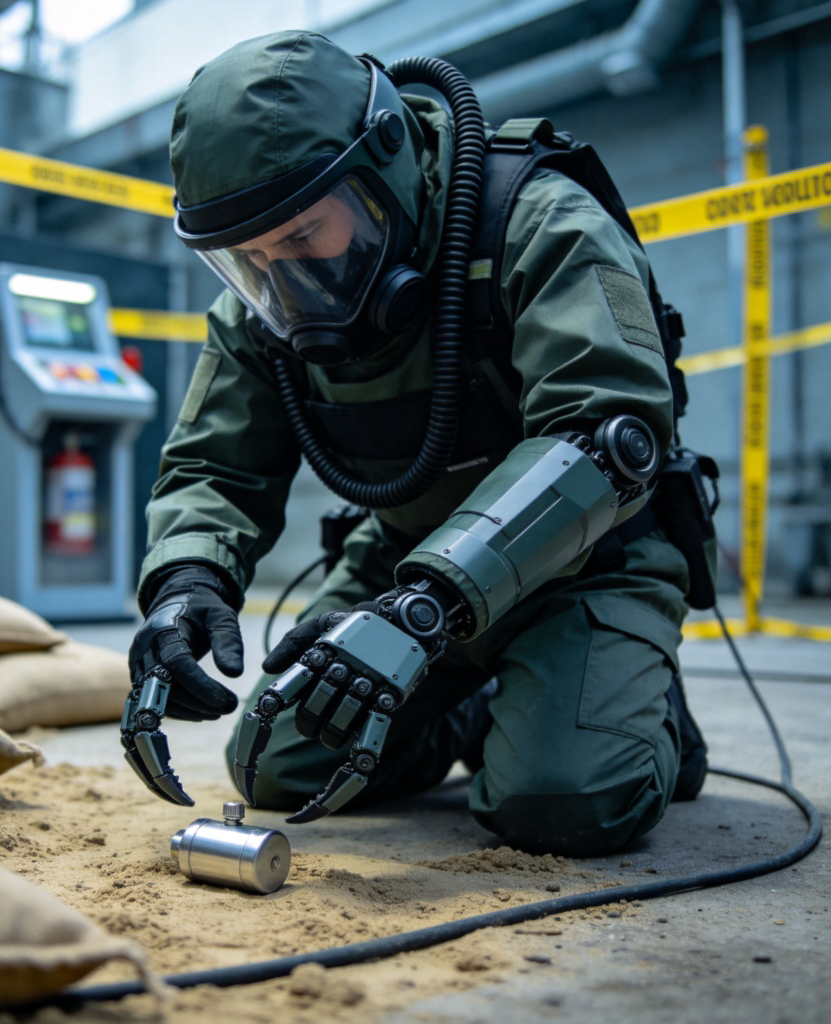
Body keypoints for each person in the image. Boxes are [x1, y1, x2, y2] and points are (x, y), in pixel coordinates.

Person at [124, 29, 709, 857]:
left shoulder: (538, 220)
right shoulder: (260, 311)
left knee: (563, 802)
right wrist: (186, 582)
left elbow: (605, 433)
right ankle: (481, 705)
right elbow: (212, 465)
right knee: (280, 768)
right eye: (249, 257)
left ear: (384, 170)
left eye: (305, 237)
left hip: (589, 561)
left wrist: (424, 607)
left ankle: (632, 710)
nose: (285, 278)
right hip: (406, 567)